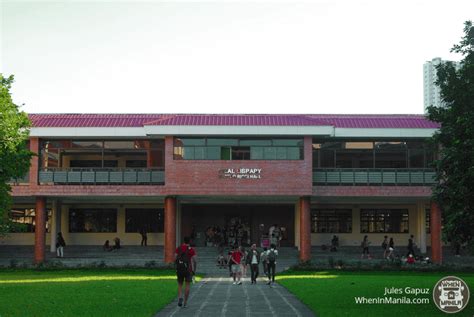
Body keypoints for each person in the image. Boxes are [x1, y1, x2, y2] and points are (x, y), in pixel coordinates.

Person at [175, 236, 197, 308]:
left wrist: (177, 265)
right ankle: (185, 303)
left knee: (180, 284)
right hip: (188, 269)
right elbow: (195, 260)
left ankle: (180, 298)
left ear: (183, 241)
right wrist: (194, 270)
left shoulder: (179, 248)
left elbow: (175, 257)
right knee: (187, 285)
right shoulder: (191, 250)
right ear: (189, 241)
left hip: (180, 269)